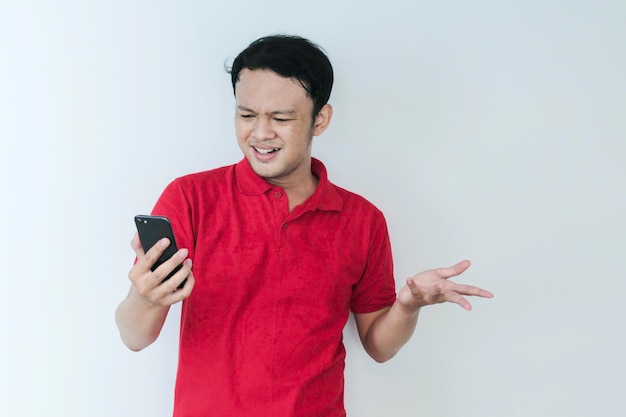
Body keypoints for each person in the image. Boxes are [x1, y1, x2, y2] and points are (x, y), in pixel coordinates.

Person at [115, 34, 493, 417]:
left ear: (320, 119)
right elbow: (133, 336)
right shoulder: (190, 198)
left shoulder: (363, 221)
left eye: (281, 118)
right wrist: (145, 297)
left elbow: (379, 346)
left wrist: (408, 306)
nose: (260, 133)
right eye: (246, 115)